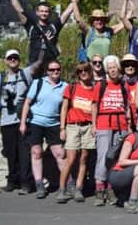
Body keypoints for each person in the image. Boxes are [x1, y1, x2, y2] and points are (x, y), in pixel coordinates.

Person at [0, 48, 43, 194]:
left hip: (23, 120)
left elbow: (39, 63)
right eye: (10, 58)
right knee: (10, 153)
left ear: (19, 60)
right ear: (6, 61)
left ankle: (26, 184)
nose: (13, 60)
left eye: (16, 58)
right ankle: (12, 181)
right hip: (6, 120)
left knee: (24, 153)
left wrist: (43, 46)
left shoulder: (25, 73)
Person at [19, 60, 68, 199]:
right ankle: (39, 184)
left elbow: (65, 108)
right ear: (47, 71)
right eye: (51, 70)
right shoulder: (38, 83)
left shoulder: (64, 86)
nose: (55, 72)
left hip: (54, 122)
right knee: (36, 152)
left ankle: (67, 182)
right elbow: (27, 103)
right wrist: (23, 123)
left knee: (60, 153)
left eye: (57, 69)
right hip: (36, 122)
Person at [91, 55, 132, 207]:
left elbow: (127, 106)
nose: (113, 70)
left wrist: (128, 125)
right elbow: (94, 105)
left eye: (115, 67)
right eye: (110, 68)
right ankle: (99, 189)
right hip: (104, 123)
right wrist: (94, 125)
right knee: (103, 157)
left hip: (120, 124)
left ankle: (110, 188)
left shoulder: (123, 85)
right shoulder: (100, 85)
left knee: (115, 158)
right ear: (107, 70)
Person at [5, 0, 74, 73]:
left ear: (49, 13)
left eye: (46, 11)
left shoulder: (54, 26)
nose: (44, 13)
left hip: (51, 67)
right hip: (33, 65)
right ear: (37, 12)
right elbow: (19, 9)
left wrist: (74, 1)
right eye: (41, 11)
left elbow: (66, 13)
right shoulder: (31, 25)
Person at [57, 62, 95, 203]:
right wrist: (62, 128)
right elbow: (64, 108)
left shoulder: (94, 89)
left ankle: (79, 188)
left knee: (84, 158)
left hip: (88, 126)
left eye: (86, 70)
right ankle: (62, 189)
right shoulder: (71, 88)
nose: (83, 73)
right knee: (71, 158)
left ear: (90, 72)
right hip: (73, 126)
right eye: (80, 71)